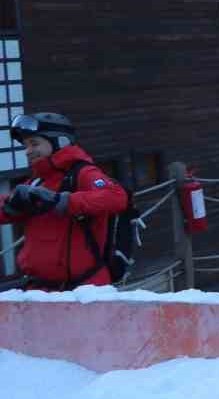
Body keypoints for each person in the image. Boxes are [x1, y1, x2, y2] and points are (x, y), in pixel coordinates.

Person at [1, 112, 129, 290]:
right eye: (26, 145)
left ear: (60, 141)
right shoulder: (37, 180)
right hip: (39, 292)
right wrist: (9, 206)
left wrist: (62, 201)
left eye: (34, 143)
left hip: (84, 292)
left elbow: (116, 197)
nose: (28, 151)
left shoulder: (82, 173)